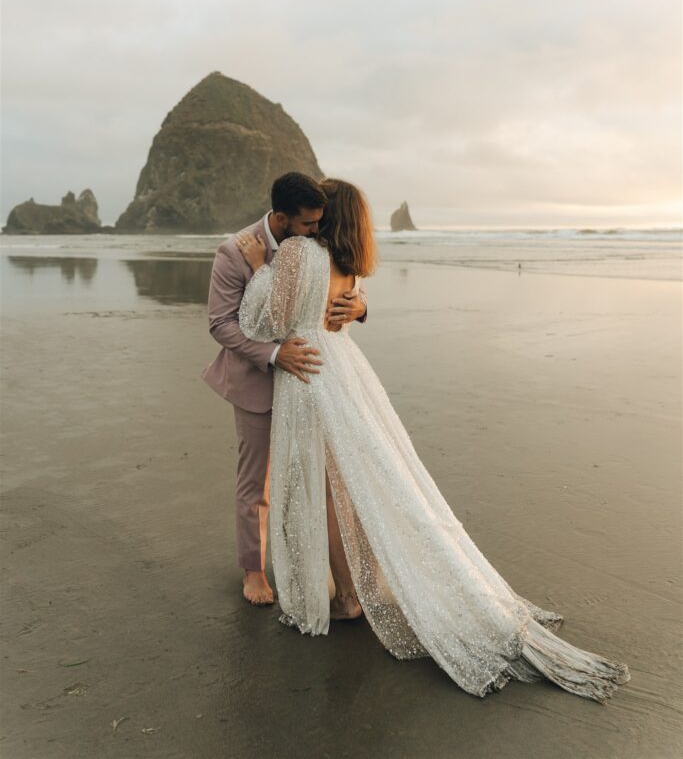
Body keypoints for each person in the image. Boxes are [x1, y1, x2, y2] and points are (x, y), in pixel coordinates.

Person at [235, 177, 631, 703]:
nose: (311, 219)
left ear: (325, 217)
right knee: (363, 481)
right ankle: (363, 584)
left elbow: (268, 320)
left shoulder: (296, 254)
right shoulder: (349, 263)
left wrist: (264, 264)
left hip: (308, 377)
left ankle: (350, 596)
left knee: (328, 489)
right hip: (348, 373)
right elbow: (332, 307)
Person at [200, 172, 368, 606]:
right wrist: (275, 356)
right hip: (258, 381)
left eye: (320, 222)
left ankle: (326, 574)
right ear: (282, 218)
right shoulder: (234, 251)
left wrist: (361, 306)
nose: (318, 231)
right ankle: (253, 572)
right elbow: (222, 324)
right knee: (257, 483)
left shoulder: (310, 247)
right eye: (310, 224)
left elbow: (340, 281)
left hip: (311, 383)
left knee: (319, 482)